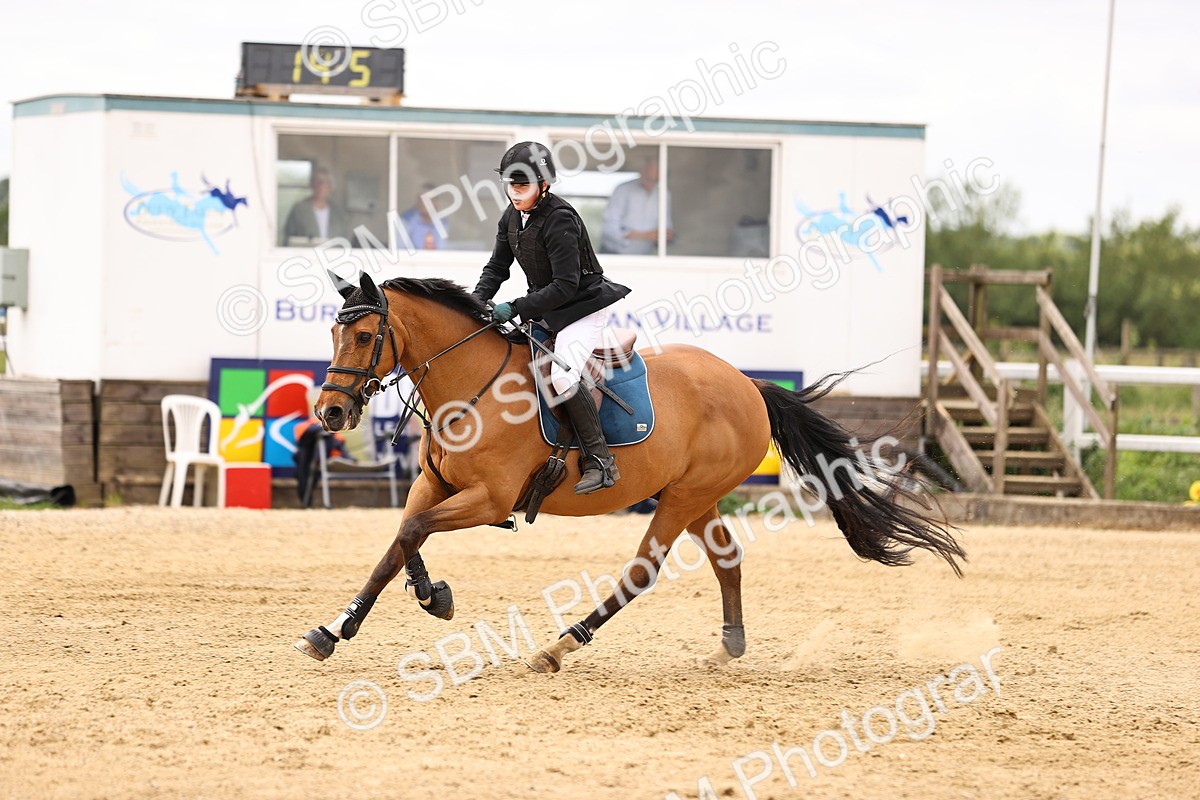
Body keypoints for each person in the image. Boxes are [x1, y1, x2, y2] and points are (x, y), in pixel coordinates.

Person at [473, 141, 631, 495]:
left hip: (582, 308)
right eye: (511, 185)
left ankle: (600, 461)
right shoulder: (511, 216)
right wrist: (475, 300)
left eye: (523, 186)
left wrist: (515, 307)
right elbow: (497, 267)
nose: (515, 193)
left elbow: (565, 285)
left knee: (561, 377)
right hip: (547, 309)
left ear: (543, 185)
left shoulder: (560, 218)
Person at [600, 156, 674, 255]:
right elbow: (610, 227)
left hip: (643, 257)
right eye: (649, 178)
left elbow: (666, 224)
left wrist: (666, 234)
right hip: (614, 254)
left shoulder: (663, 194)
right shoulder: (623, 190)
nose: (651, 183)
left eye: (656, 180)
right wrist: (645, 235)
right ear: (642, 172)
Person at [281, 167, 351, 245]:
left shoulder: (338, 212)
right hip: (305, 254)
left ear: (330, 186)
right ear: (312, 185)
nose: (320, 186)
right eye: (317, 182)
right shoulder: (299, 209)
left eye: (325, 182)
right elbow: (289, 237)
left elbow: (344, 238)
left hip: (332, 254)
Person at [399, 183, 449, 250]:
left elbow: (441, 249)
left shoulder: (442, 222)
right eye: (420, 199)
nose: (422, 202)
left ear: (436, 202)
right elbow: (400, 249)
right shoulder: (407, 219)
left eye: (428, 199)